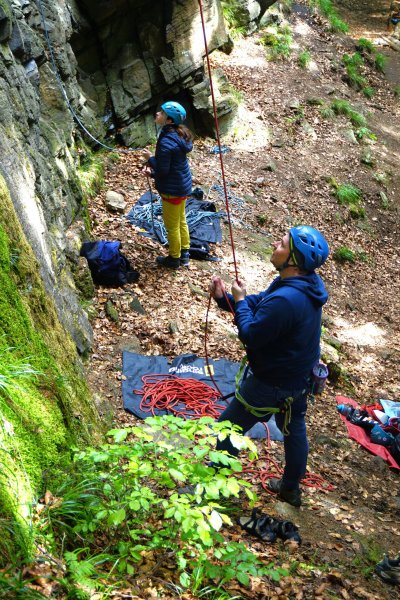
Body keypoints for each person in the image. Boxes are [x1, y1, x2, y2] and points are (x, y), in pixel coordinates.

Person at [209, 226, 329, 507]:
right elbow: (259, 303)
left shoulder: (288, 299)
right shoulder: (300, 284)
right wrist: (226, 299)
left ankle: (215, 489)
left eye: (282, 244)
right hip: (299, 378)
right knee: (294, 428)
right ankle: (290, 490)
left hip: (272, 382)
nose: (275, 244)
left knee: (228, 427)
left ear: (294, 261)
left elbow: (251, 334)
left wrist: (238, 301)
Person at [142, 101, 193, 269]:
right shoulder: (178, 135)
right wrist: (154, 172)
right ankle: (185, 253)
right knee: (181, 220)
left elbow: (163, 170)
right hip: (182, 185)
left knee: (172, 226)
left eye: (162, 113)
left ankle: (174, 259)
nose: (157, 114)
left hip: (172, 190)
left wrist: (150, 159)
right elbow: (169, 167)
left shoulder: (166, 142)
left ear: (169, 120)